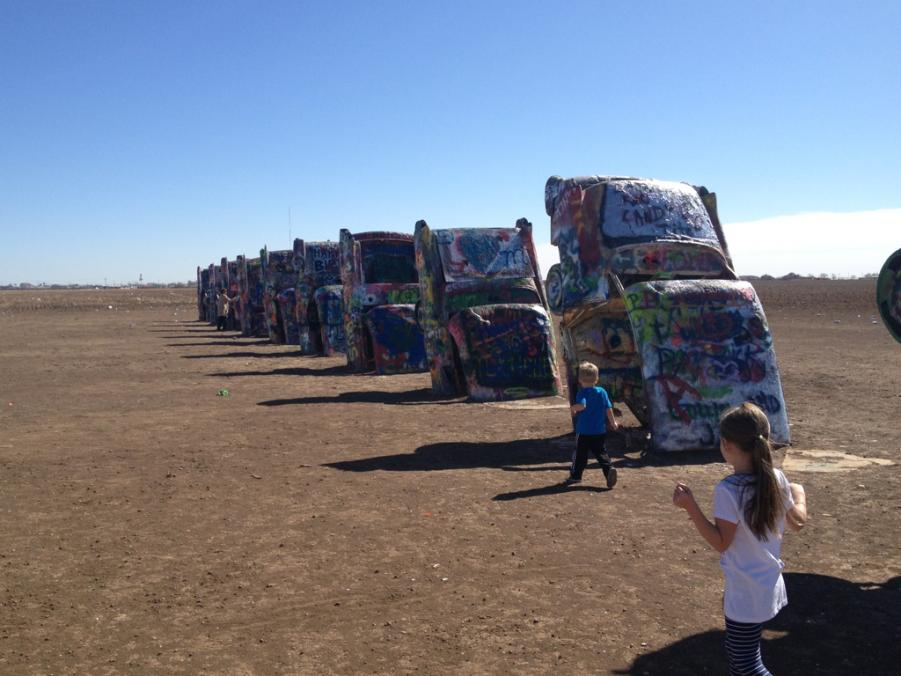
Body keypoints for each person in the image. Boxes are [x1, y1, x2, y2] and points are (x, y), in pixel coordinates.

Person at [672, 402, 808, 676]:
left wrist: (690, 506)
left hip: (746, 591)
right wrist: (799, 494)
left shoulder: (729, 489)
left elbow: (721, 542)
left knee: (746, 664)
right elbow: (798, 522)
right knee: (740, 659)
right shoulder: (776, 478)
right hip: (765, 583)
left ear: (726, 444)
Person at [563, 361, 619, 488]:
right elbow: (608, 408)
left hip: (584, 431)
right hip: (599, 430)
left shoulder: (582, 393)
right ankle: (609, 469)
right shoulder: (602, 392)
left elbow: (582, 406)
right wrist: (613, 422)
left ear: (580, 380)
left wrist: (573, 408)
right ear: (596, 378)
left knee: (580, 455)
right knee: (601, 453)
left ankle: (576, 476)